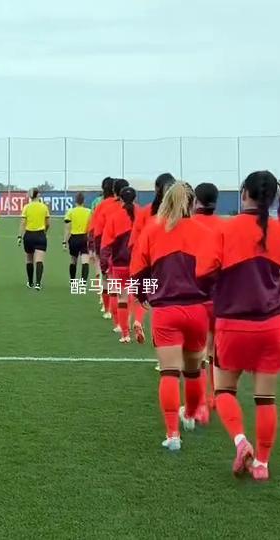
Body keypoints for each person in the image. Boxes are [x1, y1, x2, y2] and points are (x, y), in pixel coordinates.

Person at [211, 171, 280, 481]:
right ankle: (262, 464)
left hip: (233, 324)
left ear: (244, 193)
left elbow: (204, 271)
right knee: (266, 400)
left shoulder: (225, 229)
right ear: (271, 199)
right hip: (272, 326)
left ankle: (240, 441)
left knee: (223, 390)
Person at [130, 181, 218, 452]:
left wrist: (143, 299)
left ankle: (173, 435)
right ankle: (190, 415)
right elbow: (216, 274)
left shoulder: (152, 229)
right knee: (194, 371)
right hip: (197, 310)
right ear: (193, 203)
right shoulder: (204, 232)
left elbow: (138, 273)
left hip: (166, 311)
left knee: (169, 373)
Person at [190, 182, 225, 424]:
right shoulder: (225, 227)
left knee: (198, 352)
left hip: (195, 296)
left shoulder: (188, 226)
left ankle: (202, 403)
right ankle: (216, 398)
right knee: (215, 349)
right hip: (221, 297)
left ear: (195, 200)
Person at [101, 181, 145, 343]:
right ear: (135, 198)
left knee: (122, 297)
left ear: (119, 198)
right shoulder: (143, 214)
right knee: (140, 296)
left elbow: (106, 244)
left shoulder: (114, 217)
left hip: (120, 263)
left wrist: (104, 265)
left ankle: (125, 334)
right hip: (139, 262)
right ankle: (138, 321)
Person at [88, 178, 117, 317]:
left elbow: (94, 227)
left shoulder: (100, 205)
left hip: (104, 243)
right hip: (121, 244)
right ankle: (119, 309)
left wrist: (92, 246)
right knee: (118, 277)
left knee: (104, 274)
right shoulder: (123, 205)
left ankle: (107, 307)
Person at [17, 188, 50, 290]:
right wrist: (45, 231)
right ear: (38, 195)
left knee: (29, 259)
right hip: (40, 235)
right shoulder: (44, 207)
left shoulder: (26, 207)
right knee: (39, 260)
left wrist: (19, 236)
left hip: (29, 235)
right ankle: (38, 283)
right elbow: (48, 224)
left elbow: (23, 223)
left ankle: (30, 282)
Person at [63, 192, 92, 282]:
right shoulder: (89, 212)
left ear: (75, 201)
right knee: (85, 261)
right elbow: (91, 228)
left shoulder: (70, 211)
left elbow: (67, 229)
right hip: (85, 238)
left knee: (73, 260)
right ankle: (83, 283)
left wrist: (64, 241)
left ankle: (73, 282)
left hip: (74, 238)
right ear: (83, 201)